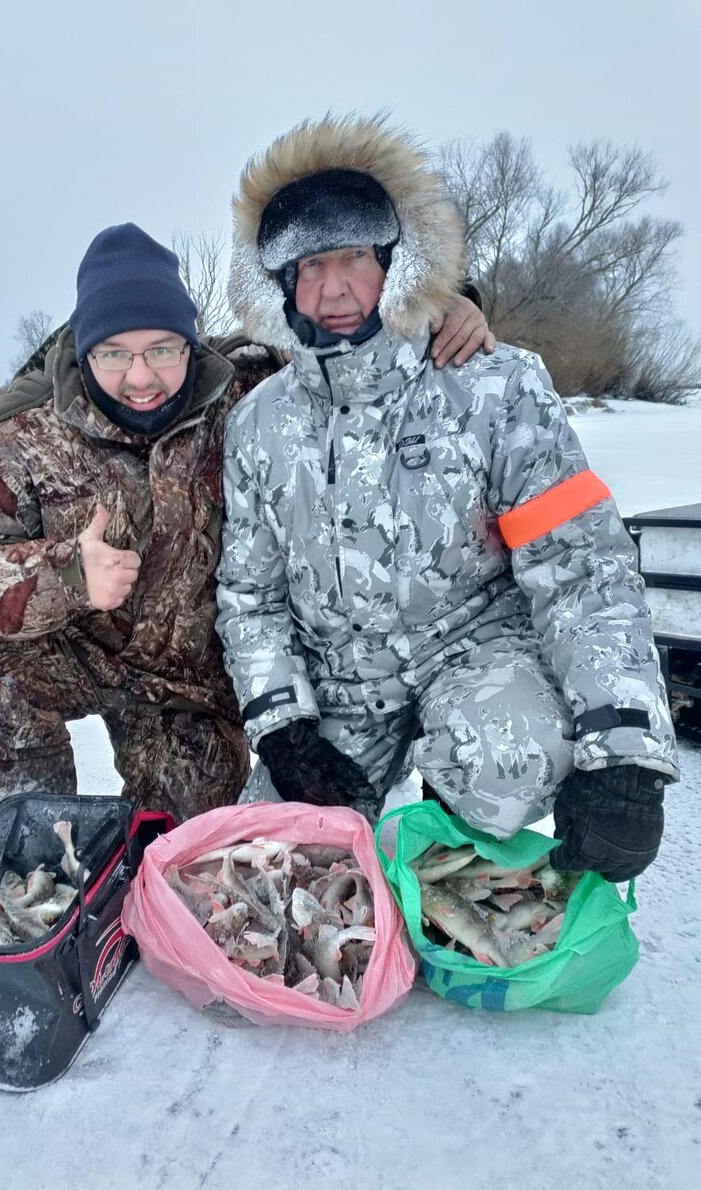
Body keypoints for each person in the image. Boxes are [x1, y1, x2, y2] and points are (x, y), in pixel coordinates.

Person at [216, 113, 678, 881]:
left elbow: (581, 571)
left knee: (510, 761)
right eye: (306, 267)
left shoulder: (496, 383)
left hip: (469, 652)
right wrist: (283, 729)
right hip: (337, 678)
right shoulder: (257, 424)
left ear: (398, 260)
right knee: (275, 864)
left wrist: (624, 753)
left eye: (354, 258)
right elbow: (248, 598)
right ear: (277, 283)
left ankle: (451, 826)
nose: (331, 289)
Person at [0, 221, 490, 821]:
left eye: (162, 349)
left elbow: (350, 339)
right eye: (114, 354)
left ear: (191, 344)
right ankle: (33, 842)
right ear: (84, 351)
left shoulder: (248, 393)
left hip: (195, 685)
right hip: (78, 655)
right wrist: (66, 575)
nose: (140, 378)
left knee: (194, 854)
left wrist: (443, 306)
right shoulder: (23, 443)